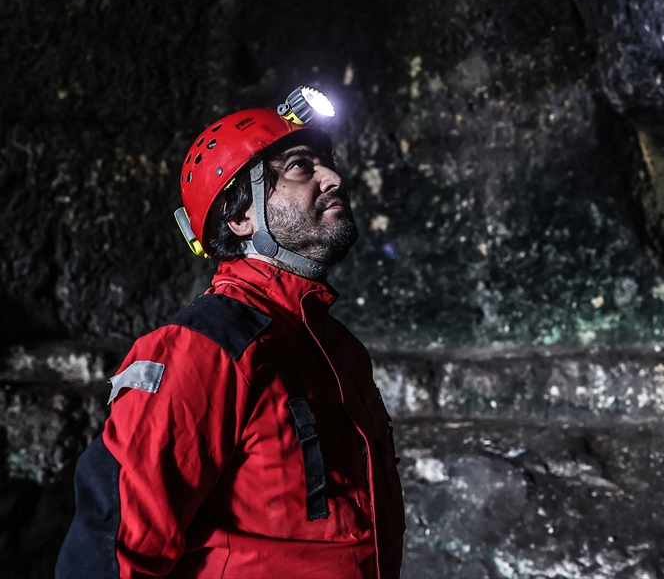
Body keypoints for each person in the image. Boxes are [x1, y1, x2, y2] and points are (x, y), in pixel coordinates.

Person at [56, 87, 405, 579]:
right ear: (240, 216)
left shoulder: (335, 347)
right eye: (301, 166)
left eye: (327, 162)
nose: (334, 177)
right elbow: (109, 553)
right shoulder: (202, 348)